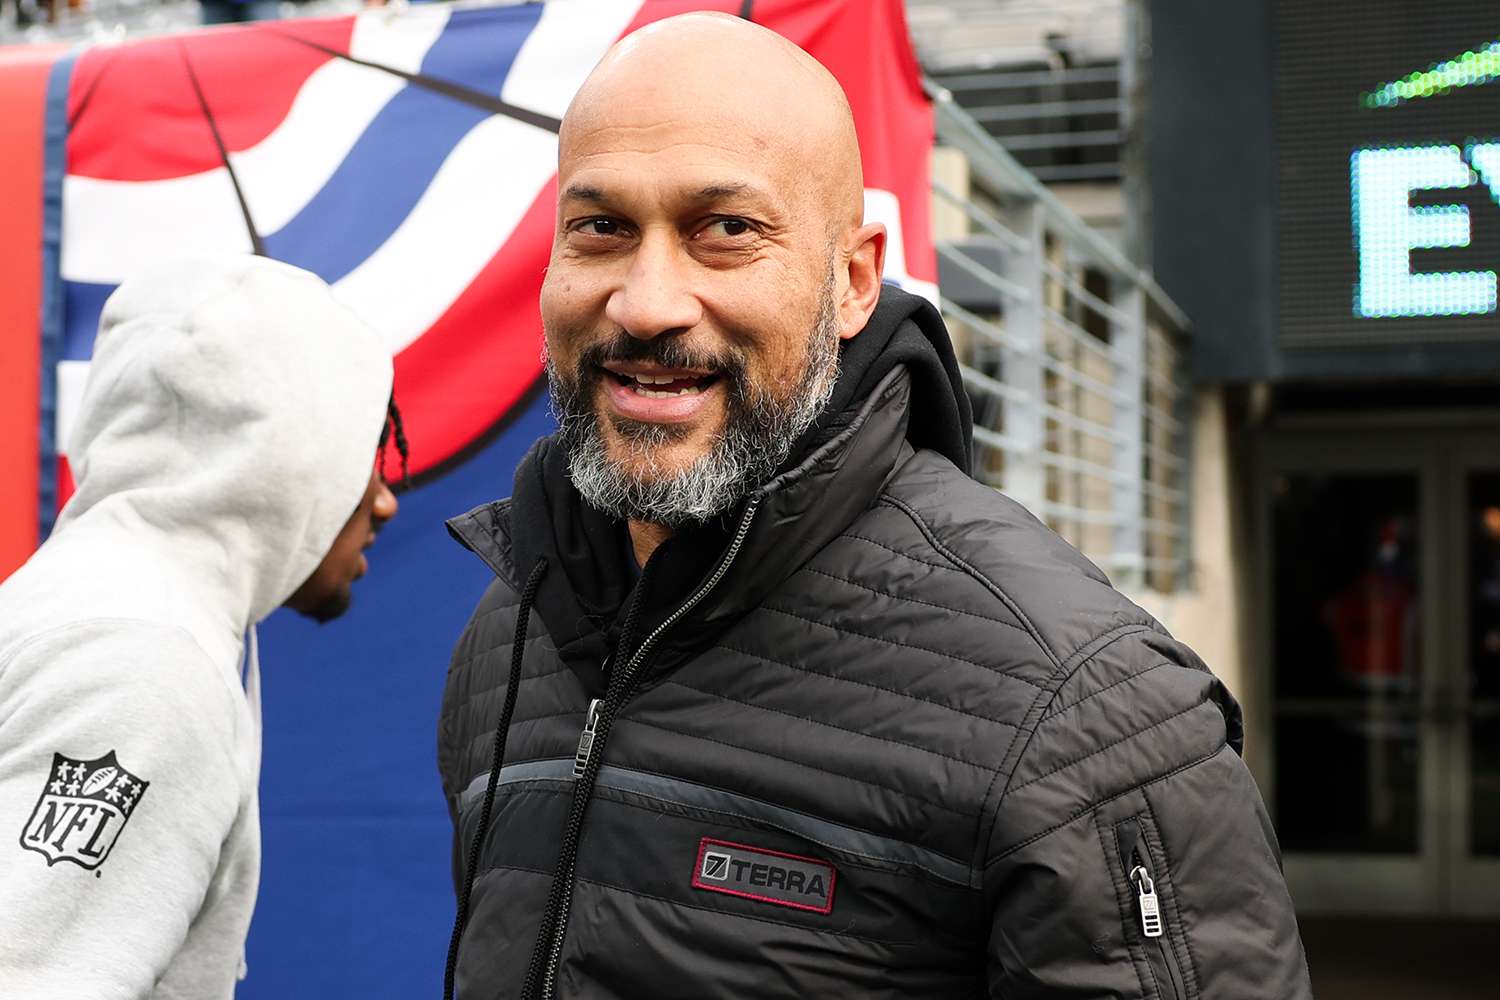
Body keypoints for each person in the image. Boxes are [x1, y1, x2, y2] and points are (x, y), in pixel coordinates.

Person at [437, 13, 1312, 999]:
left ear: (853, 280)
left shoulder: (1084, 711)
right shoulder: (509, 635)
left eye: (724, 230)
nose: (646, 303)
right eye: (601, 229)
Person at [0, 255, 403, 997]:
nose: (383, 502)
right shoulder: (142, 668)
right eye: (365, 455)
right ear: (285, 460)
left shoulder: (96, 600)